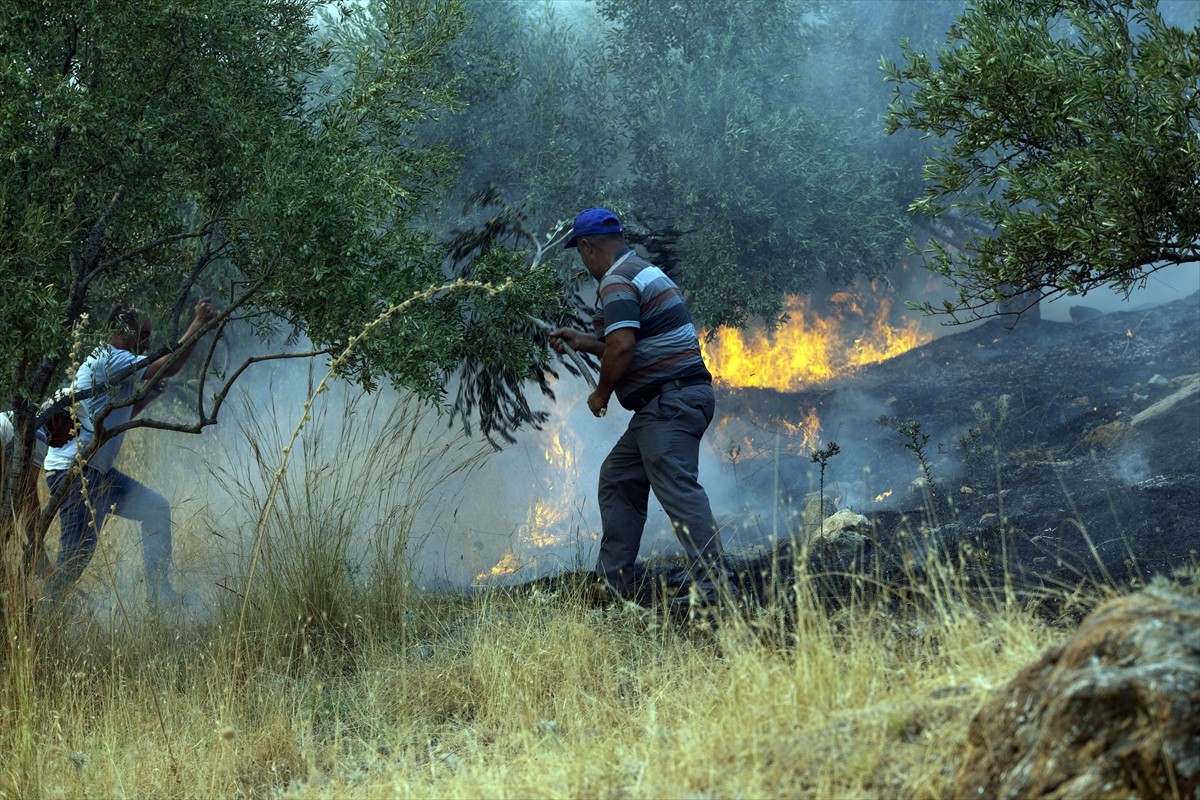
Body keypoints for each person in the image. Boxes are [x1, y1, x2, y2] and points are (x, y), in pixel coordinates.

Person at [550, 207, 730, 606]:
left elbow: (622, 347)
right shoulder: (641, 271)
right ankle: (611, 587)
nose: (583, 261)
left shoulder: (616, 280)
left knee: (679, 492)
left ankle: (718, 591)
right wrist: (582, 340)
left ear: (587, 247)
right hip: (671, 402)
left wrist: (601, 394)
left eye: (580, 253)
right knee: (618, 477)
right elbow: (629, 340)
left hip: (668, 403)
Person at [42, 298, 216, 605]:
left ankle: (159, 596)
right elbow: (171, 364)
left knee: (155, 508)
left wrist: (146, 399)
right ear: (120, 331)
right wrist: (198, 323)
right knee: (75, 556)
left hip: (92, 471)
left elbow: (113, 422)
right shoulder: (112, 359)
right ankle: (44, 616)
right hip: (77, 472)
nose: (147, 343)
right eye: (143, 334)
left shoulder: (112, 363)